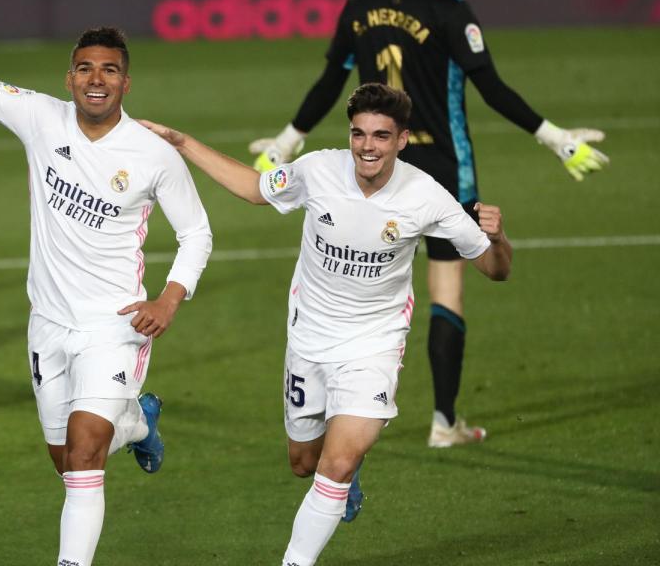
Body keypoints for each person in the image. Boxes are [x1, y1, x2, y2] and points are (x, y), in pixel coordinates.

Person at [0, 0, 212, 565]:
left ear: (126, 84)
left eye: (109, 70)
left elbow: (197, 233)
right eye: (86, 68)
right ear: (69, 78)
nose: (97, 79)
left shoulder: (152, 154)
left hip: (114, 325)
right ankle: (138, 424)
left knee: (86, 453)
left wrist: (169, 298)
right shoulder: (42, 118)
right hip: (48, 322)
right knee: (68, 461)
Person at [140, 83, 512, 565]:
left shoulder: (427, 198)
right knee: (304, 463)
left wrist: (498, 238)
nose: (367, 147)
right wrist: (182, 143)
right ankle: (345, 477)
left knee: (335, 464)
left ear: (403, 140)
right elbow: (256, 189)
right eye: (359, 134)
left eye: (381, 136)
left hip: (373, 346)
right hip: (310, 340)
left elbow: (496, 269)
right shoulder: (318, 170)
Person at [249, 0, 608, 449]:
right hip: (441, 168)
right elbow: (491, 87)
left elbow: (329, 84)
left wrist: (285, 142)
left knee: (353, 286)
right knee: (447, 288)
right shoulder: (449, 11)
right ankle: (443, 421)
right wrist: (558, 140)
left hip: (372, 162)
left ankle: (344, 420)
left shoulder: (359, 9)